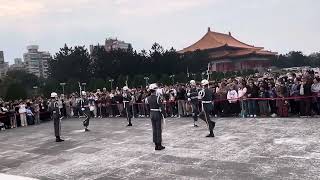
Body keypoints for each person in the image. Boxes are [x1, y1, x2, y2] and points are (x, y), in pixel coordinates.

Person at [146, 83, 165, 150]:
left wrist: (149, 113)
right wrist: (164, 114)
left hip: (152, 113)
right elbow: (161, 107)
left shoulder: (147, 98)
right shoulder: (157, 98)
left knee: (154, 129)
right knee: (158, 129)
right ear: (155, 90)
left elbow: (147, 107)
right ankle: (159, 144)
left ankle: (156, 144)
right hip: (157, 113)